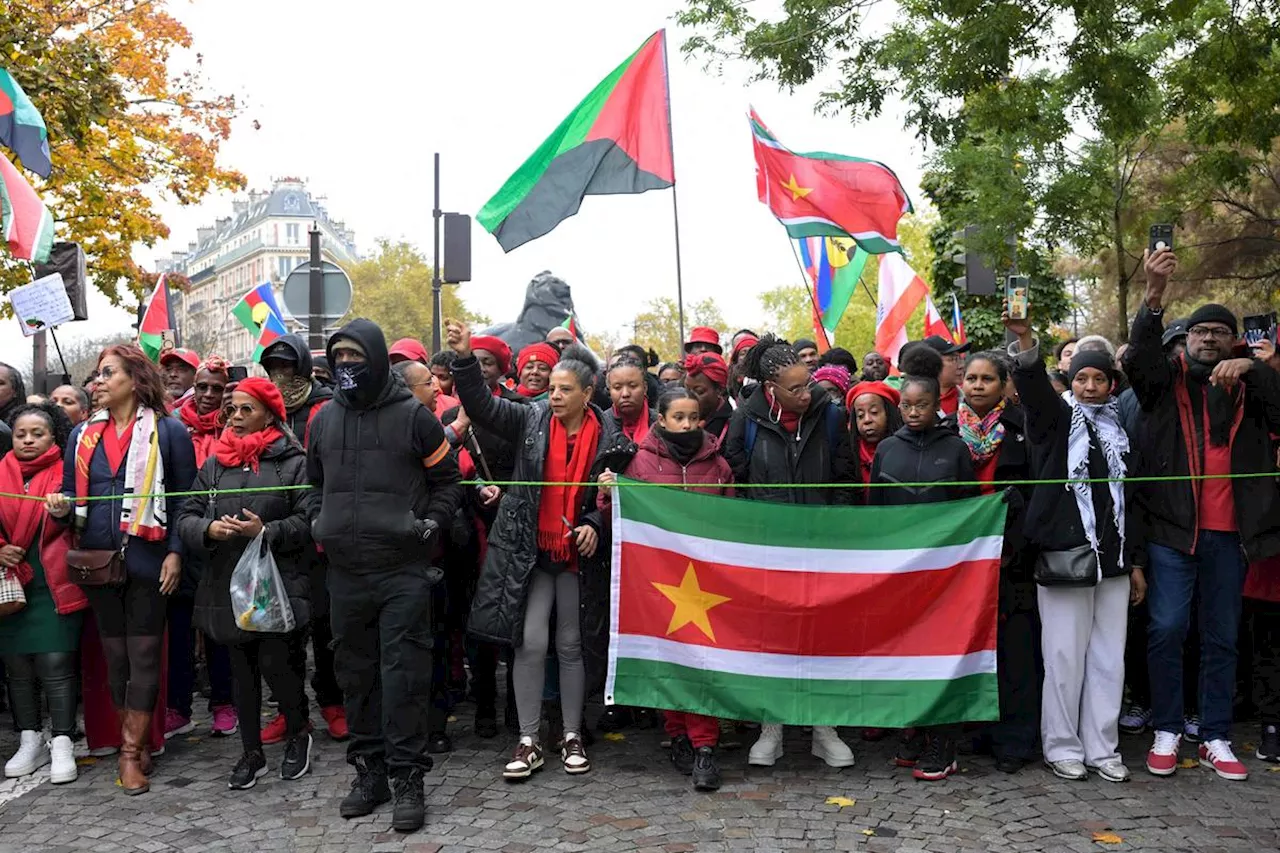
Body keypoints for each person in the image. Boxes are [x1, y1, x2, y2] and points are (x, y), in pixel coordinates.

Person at [1126, 247, 1280, 782]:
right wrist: (1153, 294)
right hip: (1173, 536)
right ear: (1186, 339)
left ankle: (1214, 734)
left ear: (1232, 339)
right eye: (1200, 331)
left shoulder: (1254, 390)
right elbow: (1136, 361)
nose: (1208, 337)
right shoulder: (1164, 386)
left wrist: (1258, 371)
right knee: (1166, 629)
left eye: (1219, 330)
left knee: (1221, 636)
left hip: (1233, 539)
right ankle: (1167, 728)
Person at [448, 322, 621, 783]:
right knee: (529, 642)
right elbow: (482, 406)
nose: (555, 396)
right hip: (529, 550)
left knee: (571, 644)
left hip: (577, 556)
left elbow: (623, 496)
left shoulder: (611, 438)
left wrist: (596, 521)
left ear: (588, 393)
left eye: (566, 389)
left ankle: (570, 735)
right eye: (553, 388)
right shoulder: (529, 417)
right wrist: (465, 359)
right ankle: (527, 740)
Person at [308, 318, 462, 832]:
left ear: (374, 357)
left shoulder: (415, 417)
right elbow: (314, 484)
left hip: (402, 571)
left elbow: (448, 482)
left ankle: (407, 778)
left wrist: (431, 525)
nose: (347, 365)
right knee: (356, 677)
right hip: (345, 571)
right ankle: (368, 773)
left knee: (404, 677)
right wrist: (317, 521)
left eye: (356, 356)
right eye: (340, 357)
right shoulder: (323, 419)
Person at [44, 344, 197, 795]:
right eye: (98, 374)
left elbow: (184, 500)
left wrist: (175, 553)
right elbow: (73, 496)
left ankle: (132, 753)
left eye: (108, 373)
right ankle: (133, 737)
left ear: (135, 378)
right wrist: (59, 507)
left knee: (145, 655)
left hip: (151, 559)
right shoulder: (81, 435)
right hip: (98, 562)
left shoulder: (169, 432)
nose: (99, 382)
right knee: (115, 659)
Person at [1006, 312, 1138, 783]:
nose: (1088, 386)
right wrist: (1025, 342)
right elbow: (1035, 391)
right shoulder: (1055, 422)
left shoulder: (1120, 430)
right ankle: (1062, 746)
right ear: (1069, 380)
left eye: (1098, 378)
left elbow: (1130, 499)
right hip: (1065, 556)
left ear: (1111, 384)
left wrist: (1134, 560)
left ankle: (1103, 748)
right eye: (1080, 377)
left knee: (1108, 657)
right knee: (1063, 656)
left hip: (1115, 561)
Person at [723, 335, 856, 768]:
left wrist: (832, 529)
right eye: (796, 388)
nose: (807, 393)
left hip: (821, 548)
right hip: (768, 550)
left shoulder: (831, 416)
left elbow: (845, 480)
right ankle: (772, 726)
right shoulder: (745, 420)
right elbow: (735, 482)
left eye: (809, 384)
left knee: (822, 636)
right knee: (771, 638)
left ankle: (823, 727)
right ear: (769, 388)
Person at [177, 377, 317, 790]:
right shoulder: (214, 463)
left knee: (279, 666)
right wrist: (208, 529)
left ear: (269, 415)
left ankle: (298, 733)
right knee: (241, 672)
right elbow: (185, 514)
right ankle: (251, 752)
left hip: (276, 582)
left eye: (245, 410)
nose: (235, 418)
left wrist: (266, 530)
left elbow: (309, 518)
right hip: (226, 582)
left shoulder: (293, 462)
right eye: (231, 410)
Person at [597, 388, 734, 791]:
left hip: (708, 583)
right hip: (658, 582)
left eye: (694, 417)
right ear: (660, 419)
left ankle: (706, 745)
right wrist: (609, 497)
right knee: (670, 658)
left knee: (704, 659)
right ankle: (678, 736)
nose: (688, 425)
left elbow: (733, 519)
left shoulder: (719, 465)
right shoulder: (637, 463)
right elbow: (618, 520)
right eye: (679, 417)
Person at [869, 346, 978, 780]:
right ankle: (912, 727)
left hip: (945, 573)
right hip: (899, 573)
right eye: (907, 405)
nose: (914, 412)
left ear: (939, 405)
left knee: (941, 653)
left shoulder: (954, 450)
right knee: (906, 651)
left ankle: (943, 739)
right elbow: (875, 512)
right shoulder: (887, 450)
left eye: (923, 405)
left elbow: (969, 511)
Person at [945, 351, 1040, 774]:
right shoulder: (947, 432)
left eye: (987, 379)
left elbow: (1040, 492)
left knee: (1015, 650)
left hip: (1013, 558)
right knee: (972, 646)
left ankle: (1015, 739)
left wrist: (1015, 539)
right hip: (964, 561)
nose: (978, 385)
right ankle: (977, 729)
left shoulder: (1026, 429)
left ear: (1005, 385)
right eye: (971, 378)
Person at [259, 334, 345, 743]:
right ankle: (290, 709)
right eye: (274, 368)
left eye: (288, 367)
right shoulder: (260, 412)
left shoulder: (326, 406)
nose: (281, 375)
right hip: (277, 533)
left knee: (327, 626)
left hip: (321, 532)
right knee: (280, 629)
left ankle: (333, 702)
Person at [0, 403, 86, 785]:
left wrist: (65, 511)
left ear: (54, 438)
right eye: (21, 434)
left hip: (54, 580)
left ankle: (63, 739)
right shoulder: (0, 471)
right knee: (17, 666)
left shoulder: (67, 472)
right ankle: (30, 737)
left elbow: (85, 519)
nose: (29, 440)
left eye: (38, 434)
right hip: (10, 582)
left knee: (55, 664)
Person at [170, 354, 237, 739]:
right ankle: (177, 707)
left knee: (218, 626)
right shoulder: (175, 425)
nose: (209, 394)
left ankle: (224, 702)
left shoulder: (235, 422)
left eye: (217, 387)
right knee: (179, 624)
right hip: (183, 531)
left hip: (221, 533)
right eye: (203, 386)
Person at [845, 381, 902, 492]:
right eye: (860, 415)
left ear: (888, 413)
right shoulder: (848, 452)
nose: (867, 420)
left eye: (874, 412)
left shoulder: (904, 449)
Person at [683, 353, 734, 444]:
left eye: (699, 391)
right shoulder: (675, 419)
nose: (689, 397)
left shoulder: (733, 425)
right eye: (686, 389)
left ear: (719, 390)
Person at [605, 355, 657, 442]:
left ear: (645, 388)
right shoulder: (600, 425)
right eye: (617, 387)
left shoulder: (660, 423)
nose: (625, 394)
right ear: (609, 390)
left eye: (633, 386)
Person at [921, 335, 971, 416]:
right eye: (953, 359)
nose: (961, 365)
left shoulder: (971, 399)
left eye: (960, 358)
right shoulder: (914, 404)